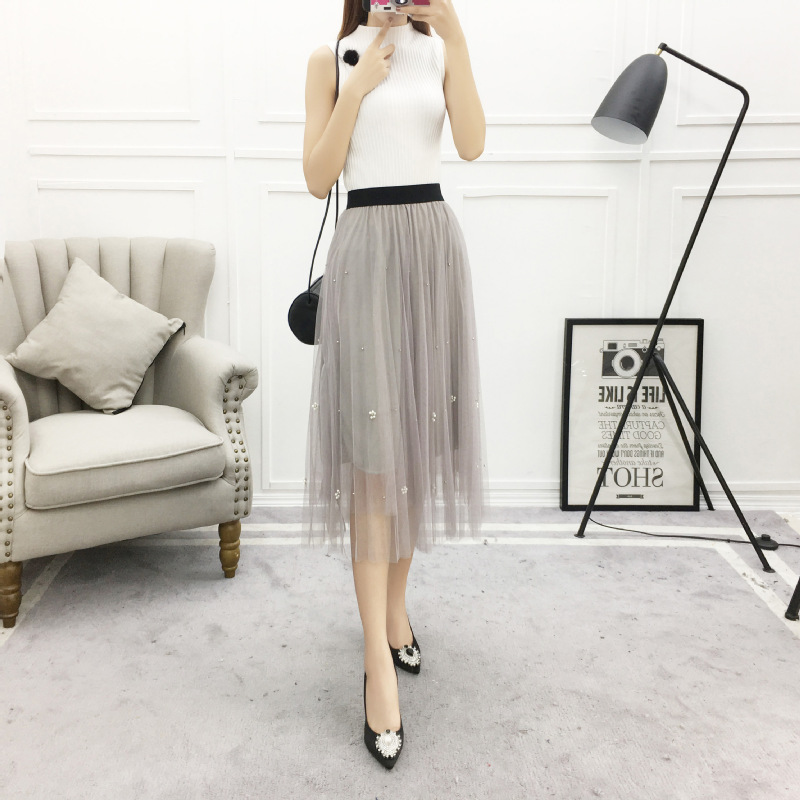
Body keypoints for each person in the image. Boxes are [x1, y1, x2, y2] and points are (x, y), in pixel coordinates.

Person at [301, 0, 488, 768]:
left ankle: (396, 609)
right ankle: (376, 661)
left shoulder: (440, 48)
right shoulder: (332, 57)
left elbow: (471, 145)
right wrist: (355, 90)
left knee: (414, 451)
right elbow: (317, 178)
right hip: (367, 254)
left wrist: (457, 36)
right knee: (376, 464)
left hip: (431, 250)